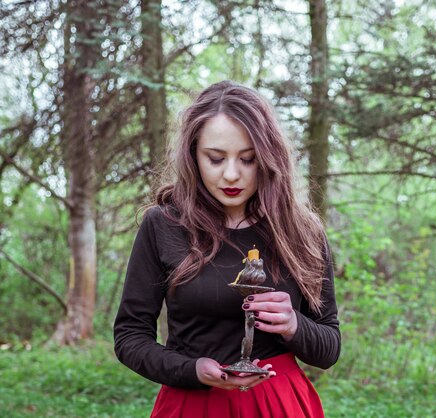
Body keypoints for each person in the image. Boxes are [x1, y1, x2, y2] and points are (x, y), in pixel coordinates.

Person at [113, 80, 340, 418]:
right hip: (193, 404)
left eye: (248, 159)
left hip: (278, 403)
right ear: (193, 155)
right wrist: (190, 370)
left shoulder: (300, 230)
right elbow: (130, 336)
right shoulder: (164, 225)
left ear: (268, 158)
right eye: (216, 159)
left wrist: (293, 325)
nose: (231, 175)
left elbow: (329, 346)